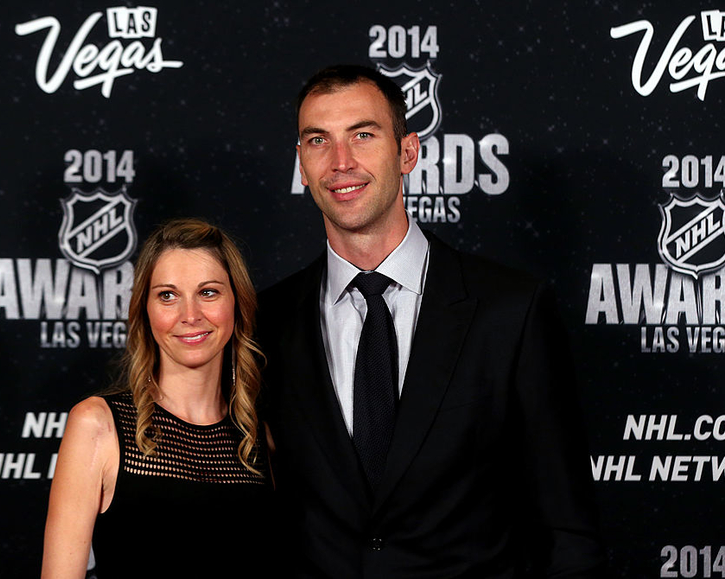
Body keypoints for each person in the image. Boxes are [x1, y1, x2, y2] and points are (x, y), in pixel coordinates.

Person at [259, 65, 606, 578]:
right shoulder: (265, 320)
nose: (341, 162)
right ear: (302, 165)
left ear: (407, 152)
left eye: (362, 134)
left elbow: (566, 528)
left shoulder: (510, 311)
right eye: (318, 141)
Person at [41, 218, 275, 578]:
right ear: (145, 310)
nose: (190, 315)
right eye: (168, 296)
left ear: (237, 303)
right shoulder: (97, 424)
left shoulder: (258, 436)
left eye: (208, 292)